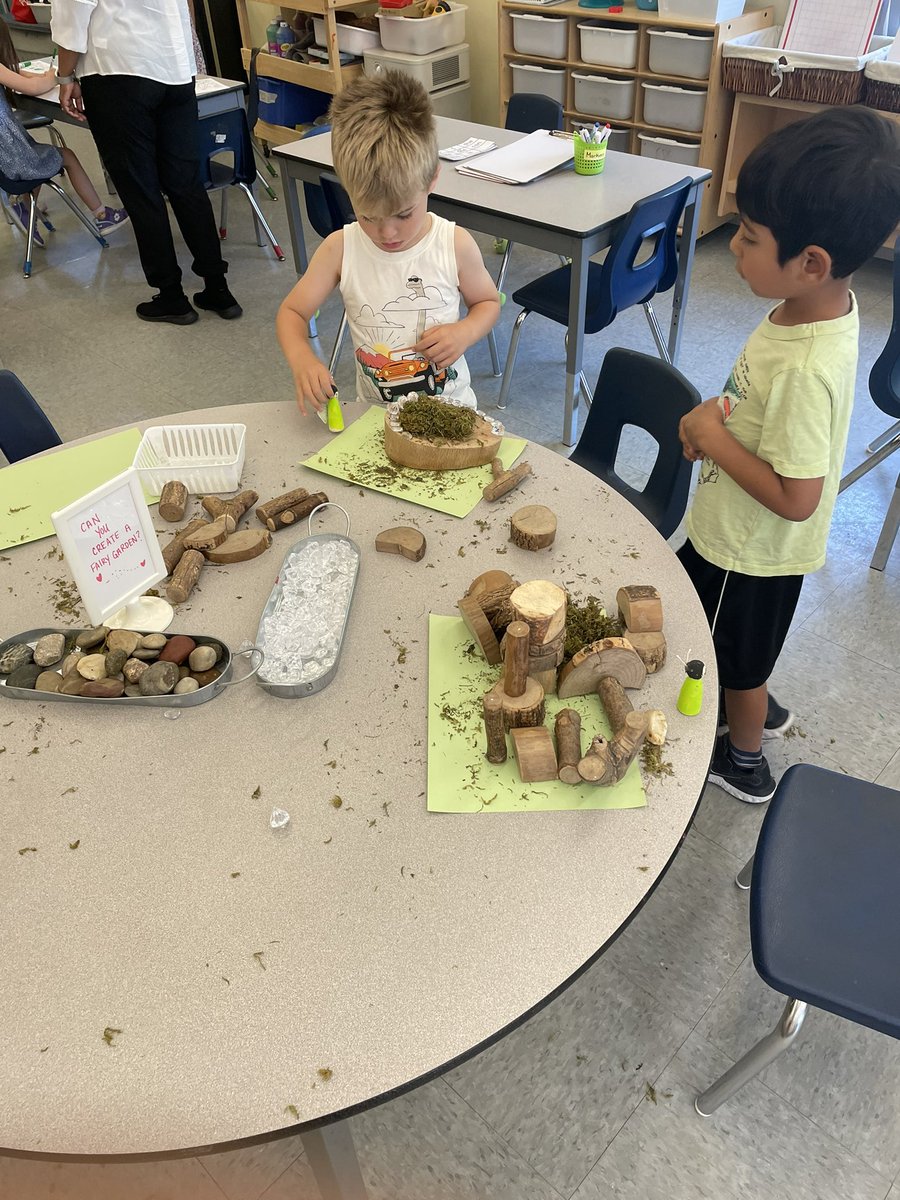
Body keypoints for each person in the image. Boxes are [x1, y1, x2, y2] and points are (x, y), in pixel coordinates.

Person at [677, 106, 900, 805]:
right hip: (735, 532)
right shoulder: (815, 309)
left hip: (752, 549)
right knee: (727, 633)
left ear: (810, 263)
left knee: (735, 655)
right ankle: (760, 704)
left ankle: (744, 760)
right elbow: (758, 409)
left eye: (746, 238)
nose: (735, 251)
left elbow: (799, 496)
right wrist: (717, 420)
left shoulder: (807, 365)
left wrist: (714, 437)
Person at [277, 71, 500, 413]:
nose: (387, 233)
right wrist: (303, 359)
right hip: (377, 419)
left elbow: (488, 302)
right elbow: (292, 312)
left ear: (432, 179)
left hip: (452, 413)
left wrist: (464, 333)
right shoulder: (340, 249)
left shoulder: (454, 244)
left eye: (403, 214)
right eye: (368, 216)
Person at [50, 0, 241, 326]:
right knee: (186, 184)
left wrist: (65, 75)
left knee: (141, 190)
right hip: (175, 69)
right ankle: (218, 288)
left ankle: (172, 297)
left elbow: (75, 10)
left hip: (117, 71)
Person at [0, 27, 127, 246]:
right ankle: (101, 215)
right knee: (66, 156)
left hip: (7, 160)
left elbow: (18, 74)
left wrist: (46, 77)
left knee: (40, 154)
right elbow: (31, 87)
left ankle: (25, 207)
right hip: (13, 159)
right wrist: (55, 77)